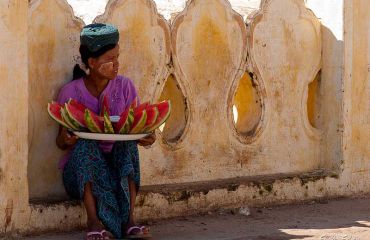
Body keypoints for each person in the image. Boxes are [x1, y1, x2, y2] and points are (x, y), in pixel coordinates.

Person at [56, 23, 155, 240]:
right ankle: (93, 222)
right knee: (85, 145)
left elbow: (135, 126)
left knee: (127, 144)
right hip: (81, 175)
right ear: (91, 62)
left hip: (116, 169)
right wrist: (66, 139)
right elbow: (61, 142)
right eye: (110, 60)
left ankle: (130, 221)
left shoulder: (125, 87)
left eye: (118, 57)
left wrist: (147, 135)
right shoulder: (69, 93)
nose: (117, 64)